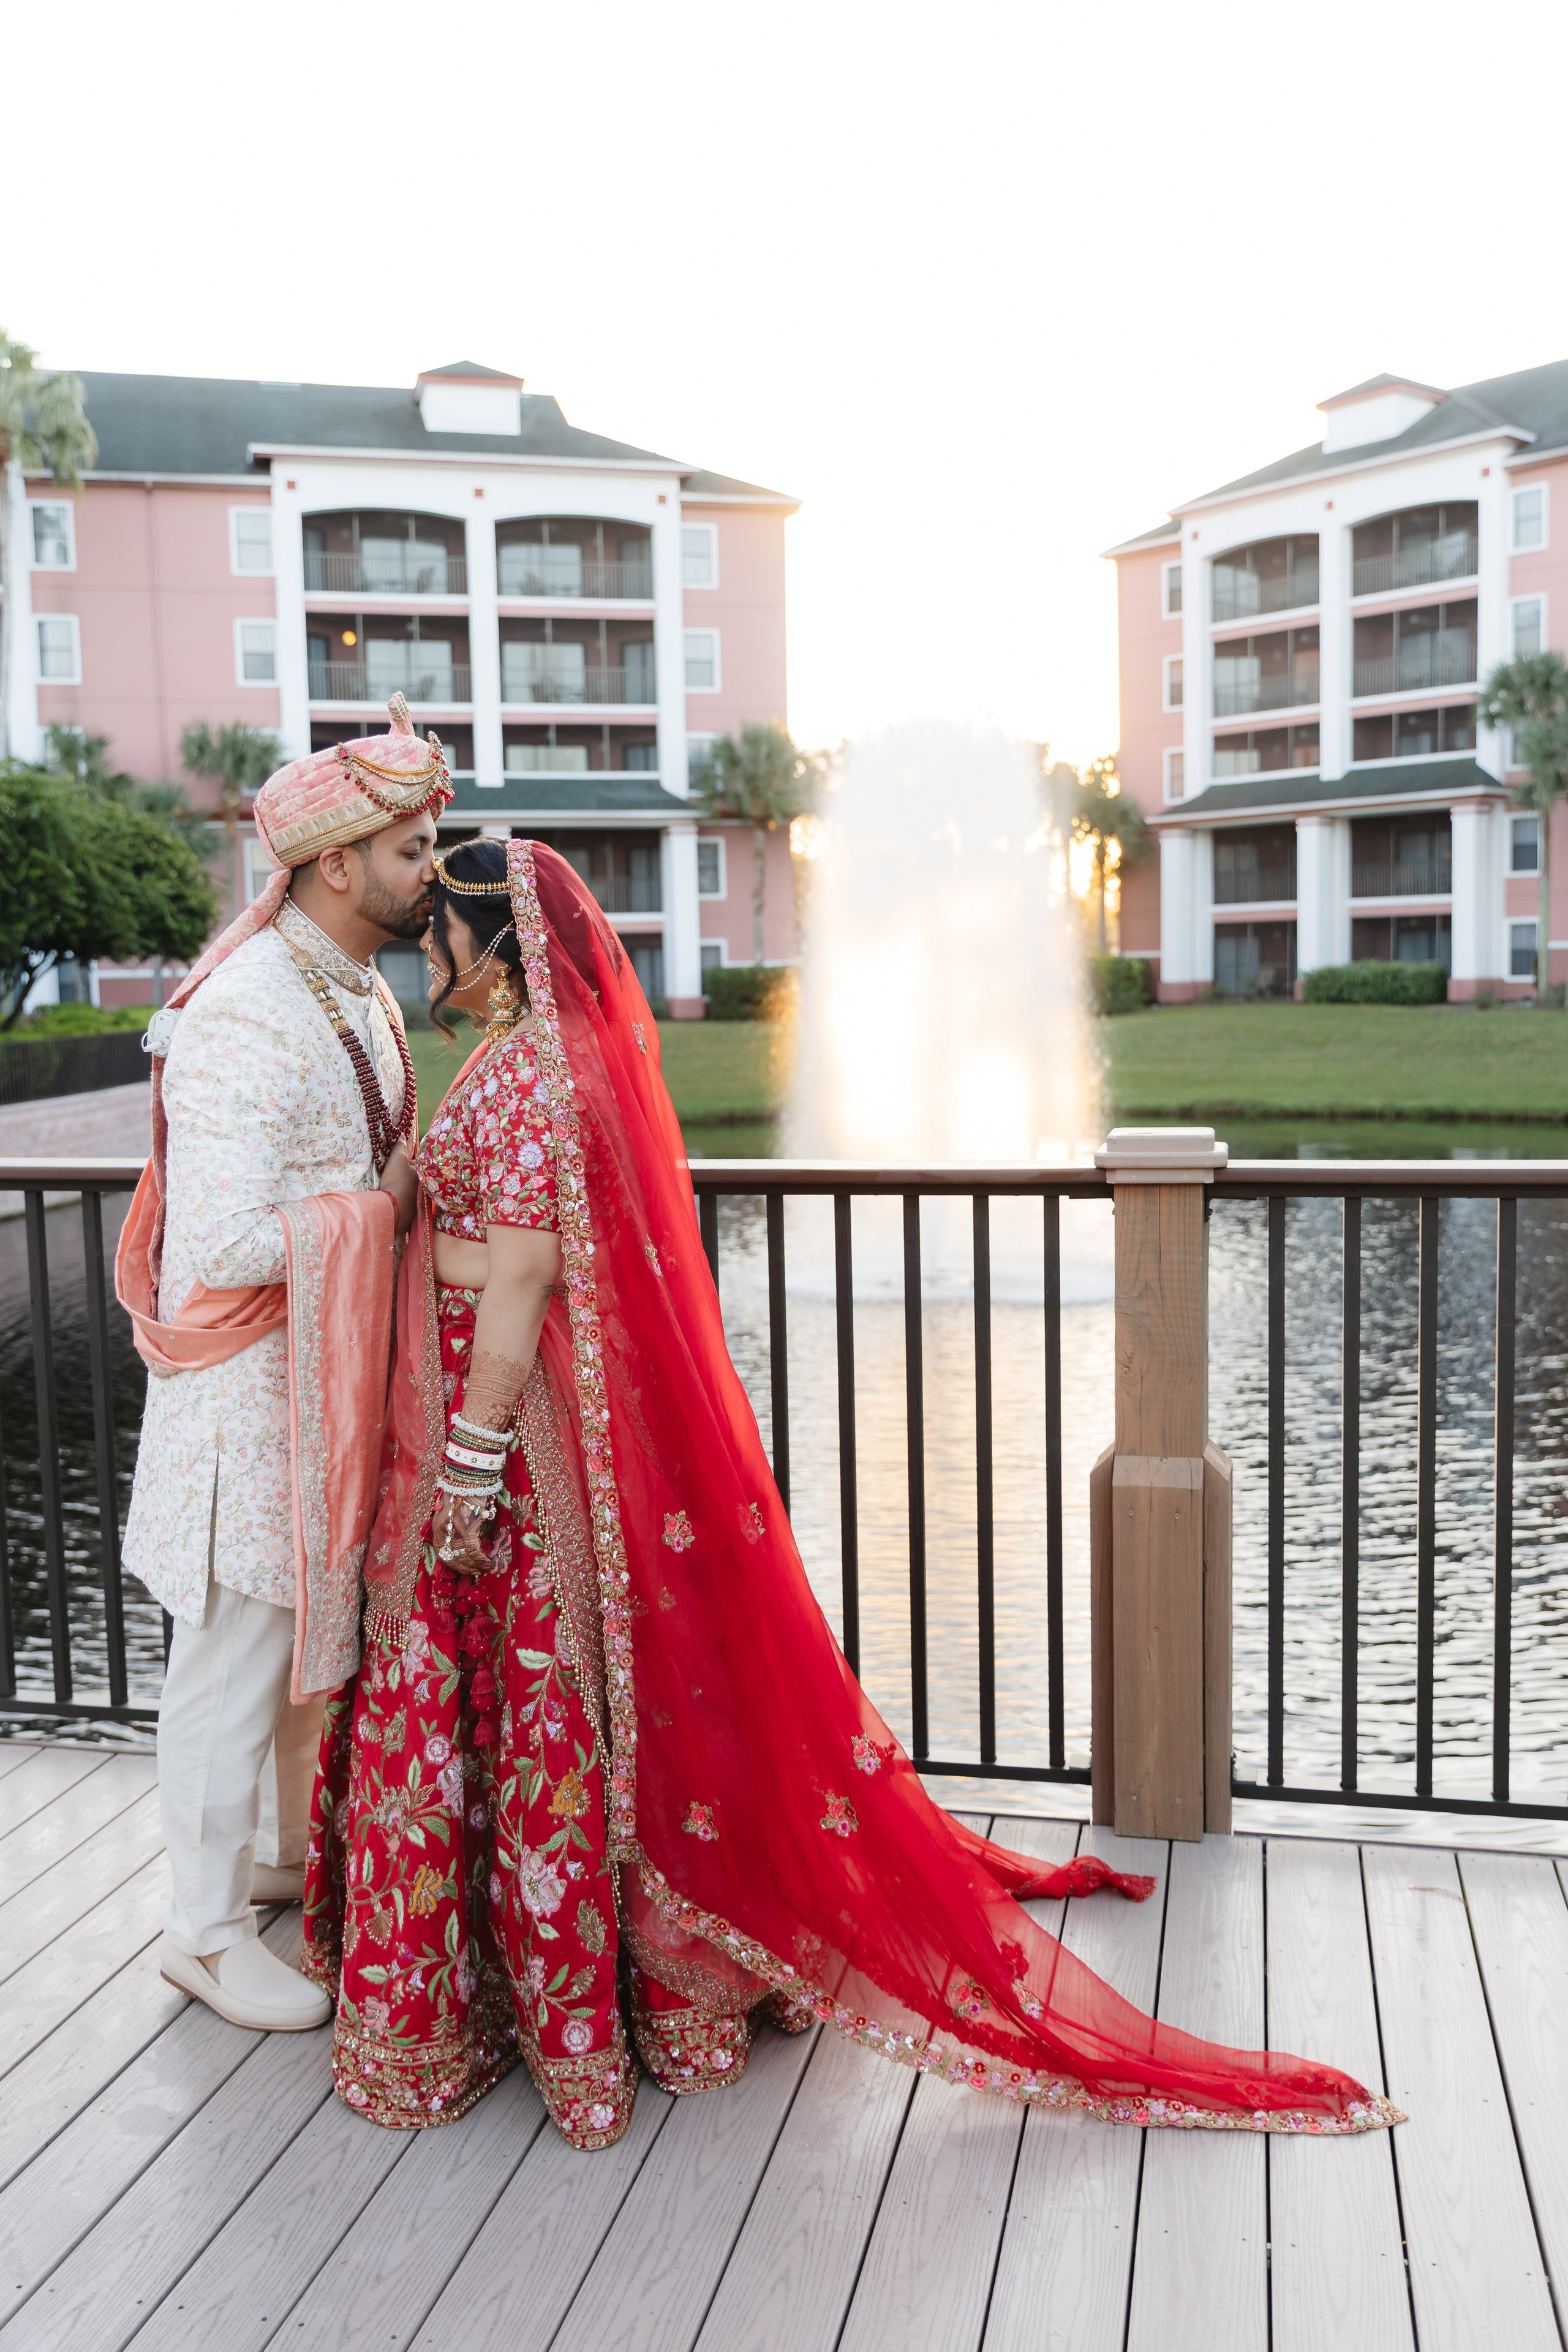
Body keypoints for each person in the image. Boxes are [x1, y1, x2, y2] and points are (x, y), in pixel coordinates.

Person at [303, 837, 1402, 2148]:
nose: (429, 951)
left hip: (513, 1443)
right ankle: (582, 1986)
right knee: (554, 1701)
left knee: (546, 1698)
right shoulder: (525, 1064)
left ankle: (582, 2002)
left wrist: (473, 1462)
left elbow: (527, 1272)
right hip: (511, 1426)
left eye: (444, 931)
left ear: (501, 943)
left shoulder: (527, 1077)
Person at [118, 696, 446, 2034]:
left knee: (293, 1643)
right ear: (331, 866)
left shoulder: (352, 985)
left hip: (320, 1383)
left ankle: (263, 1861)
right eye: (413, 849)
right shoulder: (248, 1009)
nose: (433, 870)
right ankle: (194, 1932)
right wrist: (388, 1203)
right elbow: (226, 1238)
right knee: (232, 1653)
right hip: (252, 1395)